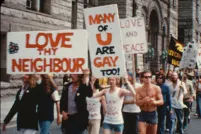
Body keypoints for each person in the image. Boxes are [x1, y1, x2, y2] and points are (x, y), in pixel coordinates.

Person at [60, 68, 93, 134]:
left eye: (75, 74)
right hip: (67, 119)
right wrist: (63, 111)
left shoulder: (83, 86)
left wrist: (86, 76)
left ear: (80, 75)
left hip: (78, 119)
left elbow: (89, 94)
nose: (72, 76)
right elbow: (62, 101)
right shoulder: (67, 86)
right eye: (72, 74)